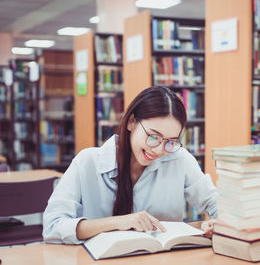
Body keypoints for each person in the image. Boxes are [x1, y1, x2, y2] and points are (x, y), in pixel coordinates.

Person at [43, 86, 217, 244]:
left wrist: (218, 222)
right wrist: (120, 222)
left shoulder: (178, 159)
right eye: (153, 137)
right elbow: (53, 227)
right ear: (131, 122)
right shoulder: (87, 162)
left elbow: (215, 202)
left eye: (170, 141)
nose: (158, 149)